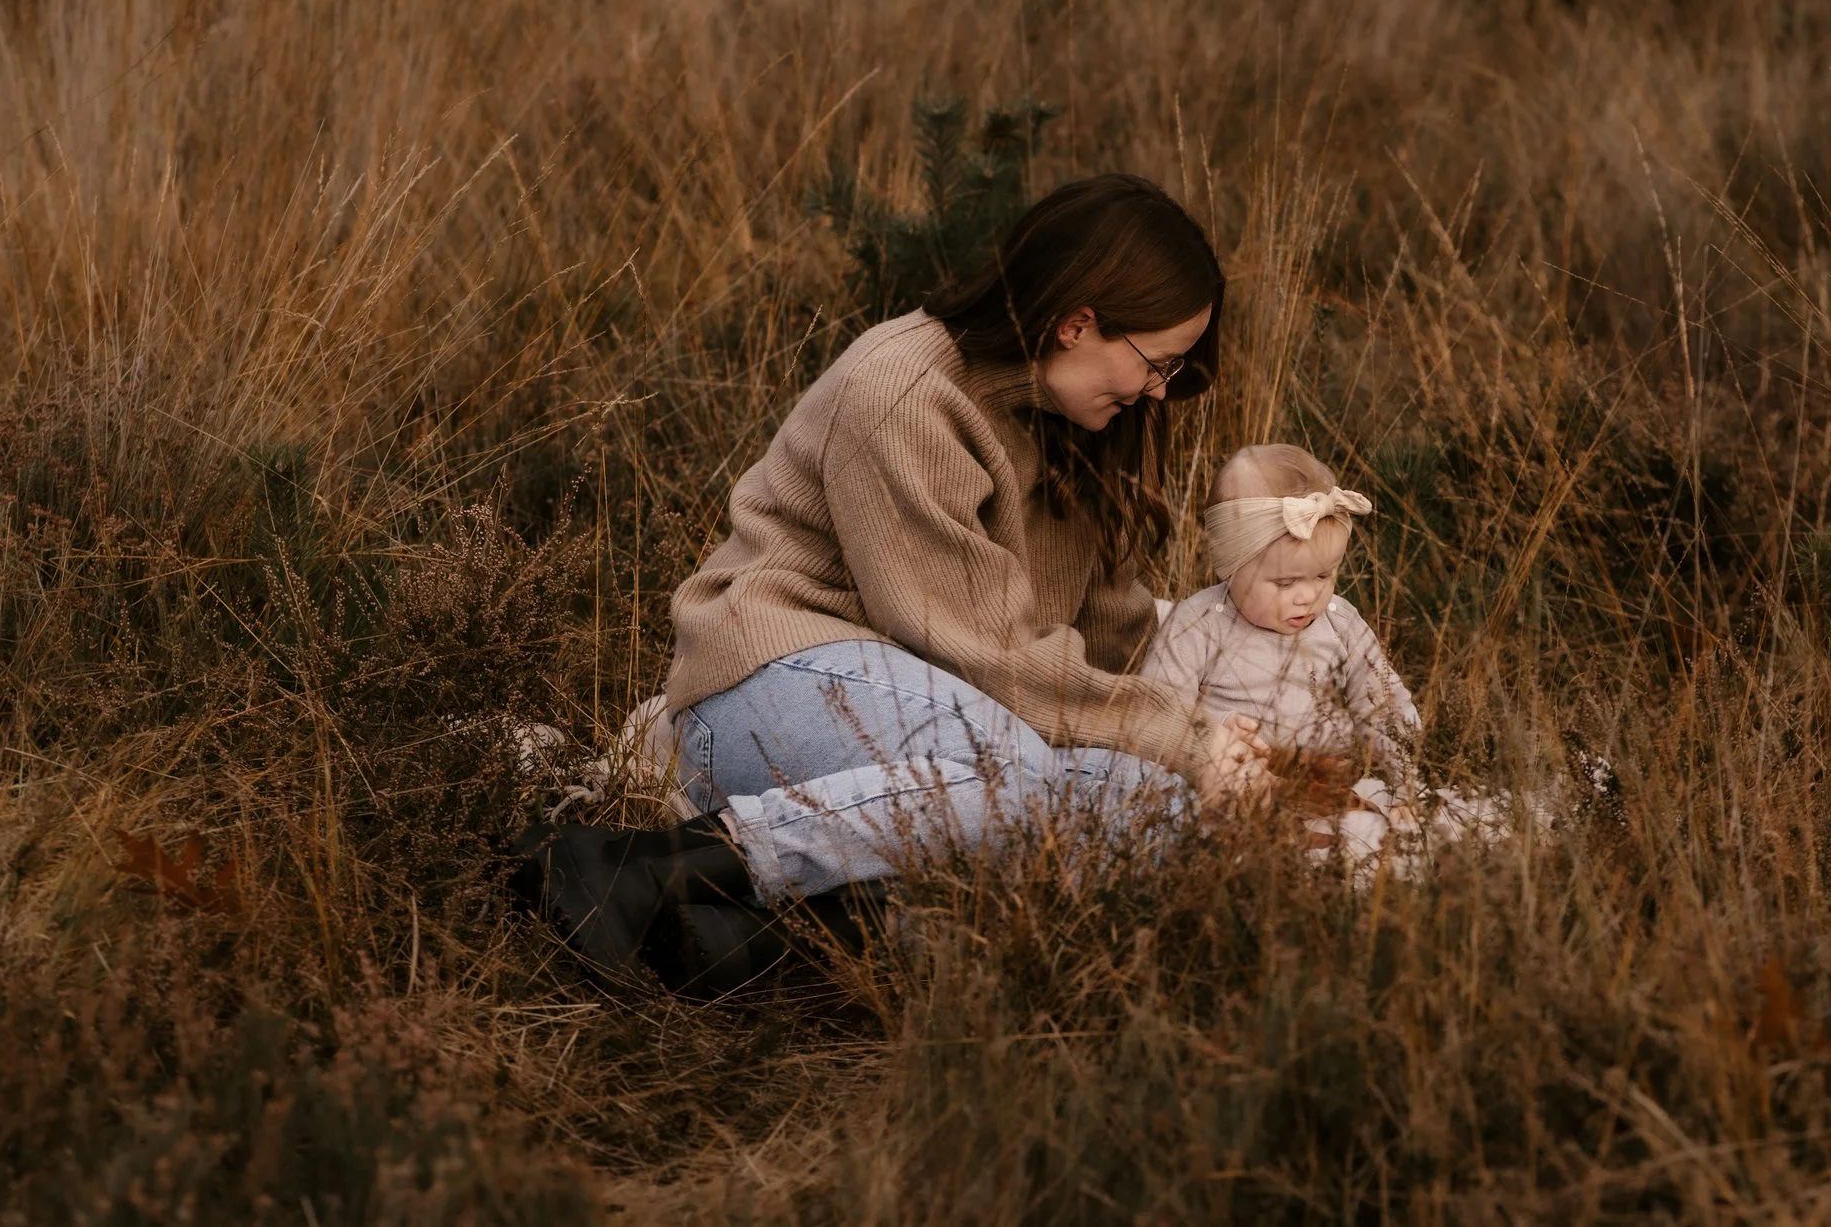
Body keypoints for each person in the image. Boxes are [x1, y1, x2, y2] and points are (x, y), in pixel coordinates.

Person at [516, 174, 1274, 993]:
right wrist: (1193, 740)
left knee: (1153, 815)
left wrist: (1214, 738)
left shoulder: (1088, 419)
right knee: (1012, 774)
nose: (1161, 390)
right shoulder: (905, 392)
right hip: (771, 678)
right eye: (1158, 363)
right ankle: (652, 868)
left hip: (938, 720)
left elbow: (1110, 640)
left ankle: (782, 937)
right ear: (1078, 322)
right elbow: (983, 654)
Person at [1141, 444, 1420, 795]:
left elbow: (1384, 703)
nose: (1308, 596)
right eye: (1285, 583)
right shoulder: (1198, 623)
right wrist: (1215, 730)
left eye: (1323, 576)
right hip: (1232, 784)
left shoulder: (1340, 622)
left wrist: (1405, 782)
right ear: (1232, 567)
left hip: (1328, 784)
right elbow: (1158, 709)